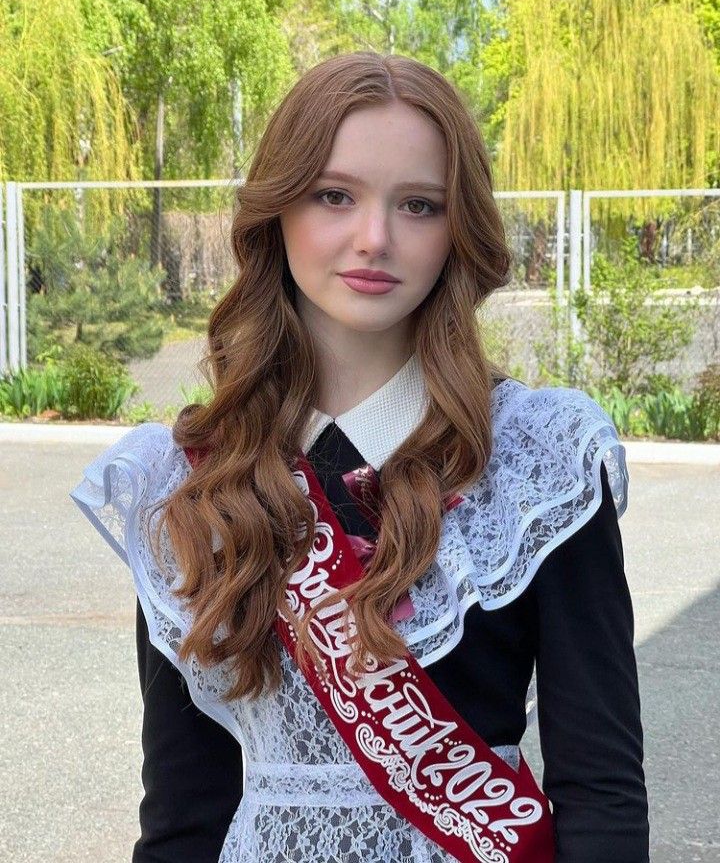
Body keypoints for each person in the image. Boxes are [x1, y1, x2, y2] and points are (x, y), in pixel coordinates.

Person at [70, 51, 649, 862]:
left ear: (459, 229)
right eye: (334, 196)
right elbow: (184, 815)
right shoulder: (192, 480)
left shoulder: (537, 461)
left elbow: (601, 792)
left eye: (418, 205)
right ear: (277, 212)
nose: (374, 239)